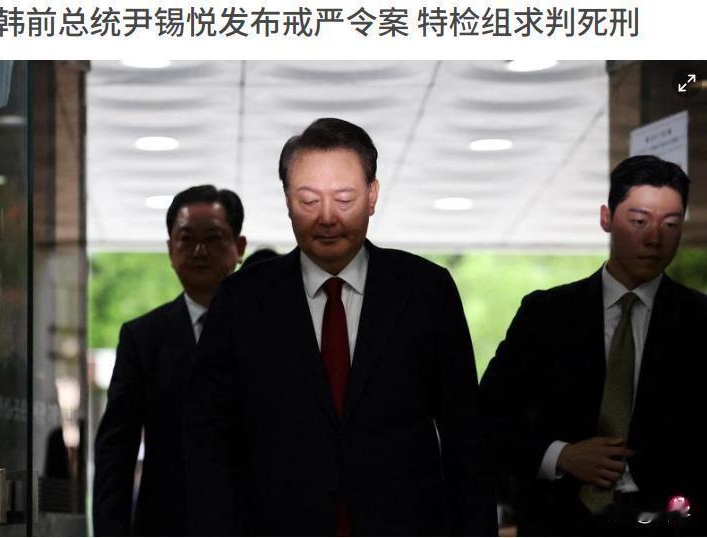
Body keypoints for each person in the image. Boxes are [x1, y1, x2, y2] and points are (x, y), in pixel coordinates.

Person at [185, 118, 497, 536]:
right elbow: (208, 439)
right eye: (308, 201)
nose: (327, 218)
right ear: (287, 200)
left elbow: (465, 436)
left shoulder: (426, 291)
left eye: (344, 199)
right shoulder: (242, 299)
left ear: (372, 196)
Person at [480, 155, 707, 535]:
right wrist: (561, 455)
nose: (654, 238)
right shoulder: (546, 314)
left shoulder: (699, 321)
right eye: (639, 221)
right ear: (606, 218)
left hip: (671, 522)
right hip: (561, 519)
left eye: (670, 224)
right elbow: (488, 415)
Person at [93, 185, 246, 536]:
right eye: (186, 239)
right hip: (166, 523)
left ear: (239, 247)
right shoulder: (143, 338)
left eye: (213, 238)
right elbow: (116, 450)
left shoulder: (268, 331)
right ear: (170, 250)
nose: (199, 251)